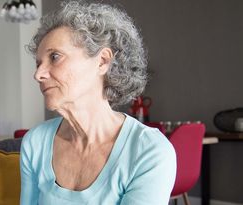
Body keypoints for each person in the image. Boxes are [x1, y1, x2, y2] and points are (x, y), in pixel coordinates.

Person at [20, 1, 176, 204]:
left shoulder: (148, 151)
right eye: (38, 64)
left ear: (102, 61)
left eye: (55, 57)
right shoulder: (36, 142)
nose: (38, 74)